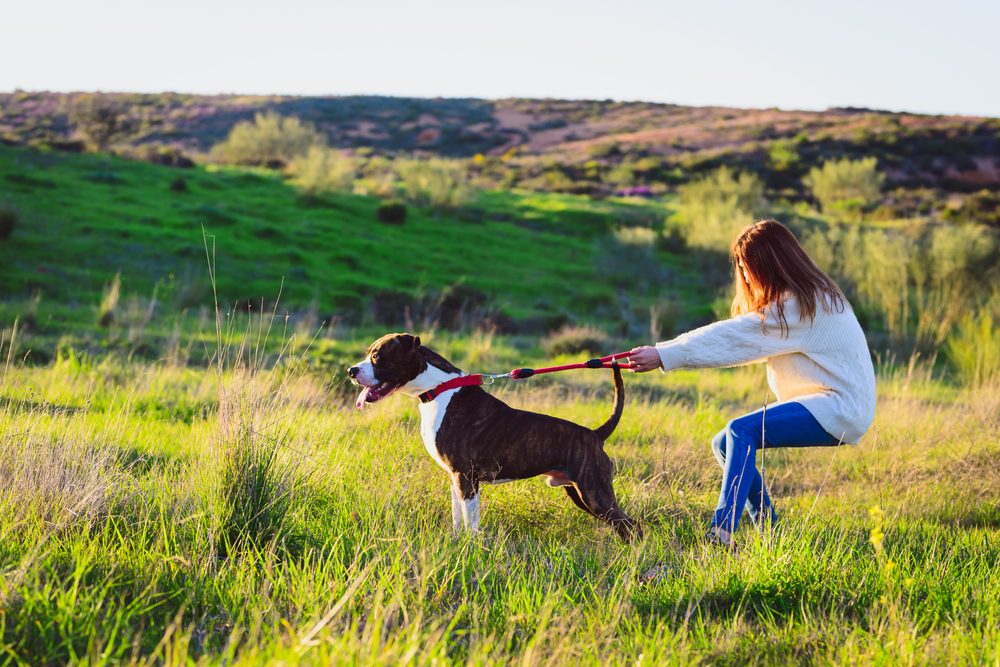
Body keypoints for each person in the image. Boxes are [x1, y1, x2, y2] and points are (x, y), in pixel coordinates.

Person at [628, 219, 876, 548]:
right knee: (724, 443)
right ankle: (770, 530)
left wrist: (663, 354)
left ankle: (722, 530)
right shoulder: (805, 299)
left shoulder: (802, 306)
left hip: (840, 406)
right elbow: (741, 339)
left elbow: (734, 336)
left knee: (739, 430)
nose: (744, 276)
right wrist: (665, 354)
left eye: (747, 267)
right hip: (831, 402)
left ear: (768, 264)